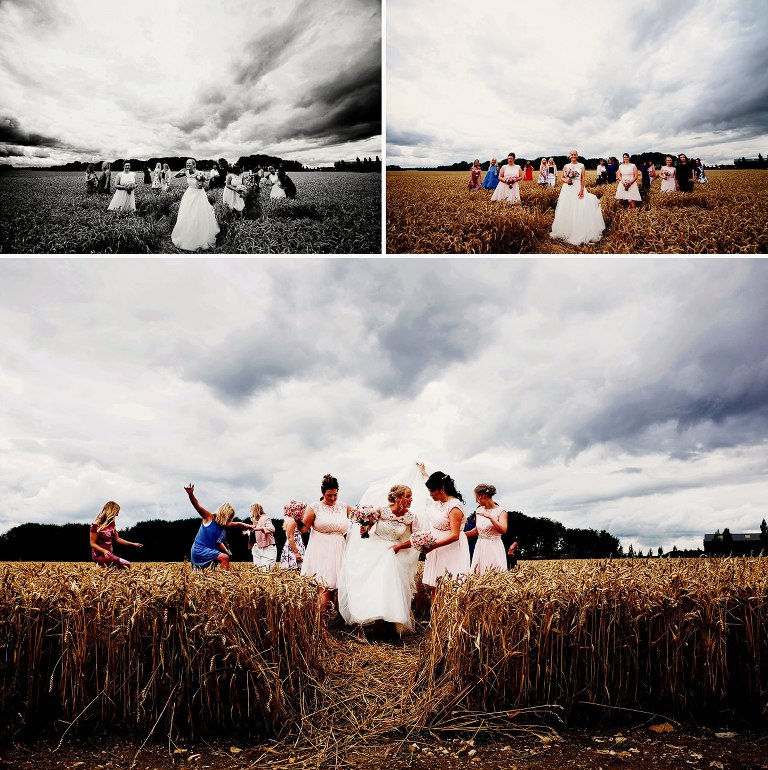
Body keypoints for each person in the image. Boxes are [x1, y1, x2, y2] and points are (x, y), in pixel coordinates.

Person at [337, 484, 420, 634]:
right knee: (376, 584)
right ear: (397, 498)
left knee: (392, 583)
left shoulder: (410, 517)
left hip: (395, 550)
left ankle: (391, 623)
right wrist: (363, 525)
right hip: (375, 548)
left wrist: (399, 547)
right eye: (408, 496)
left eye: (411, 496)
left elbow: (415, 539)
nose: (411, 499)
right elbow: (364, 533)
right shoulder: (381, 510)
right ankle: (377, 623)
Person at [300, 474, 352, 615]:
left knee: (339, 588)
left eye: (335, 495)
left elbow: (359, 519)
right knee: (325, 589)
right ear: (323, 493)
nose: (333, 498)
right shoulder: (314, 507)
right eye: (329, 495)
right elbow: (304, 529)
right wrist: (298, 519)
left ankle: (333, 621)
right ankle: (321, 627)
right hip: (321, 550)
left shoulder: (344, 506)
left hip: (340, 549)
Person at [421, 471, 470, 598]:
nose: (430, 494)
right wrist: (423, 472)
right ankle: (435, 617)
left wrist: (433, 545)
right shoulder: (438, 501)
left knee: (448, 586)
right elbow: (429, 480)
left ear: (442, 489)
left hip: (451, 549)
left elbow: (455, 535)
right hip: (437, 547)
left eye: (432, 491)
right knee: (435, 586)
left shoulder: (454, 507)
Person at [183, 483, 252, 570]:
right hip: (200, 549)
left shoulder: (223, 524)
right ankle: (226, 581)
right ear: (224, 515)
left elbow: (238, 524)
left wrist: (251, 526)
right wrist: (191, 494)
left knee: (209, 571)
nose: (229, 521)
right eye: (228, 518)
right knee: (224, 558)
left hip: (209, 550)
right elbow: (197, 506)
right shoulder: (209, 517)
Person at [550, 149, 605, 245]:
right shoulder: (566, 166)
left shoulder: (581, 166)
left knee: (580, 207)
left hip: (578, 188)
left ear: (577, 156)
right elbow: (562, 177)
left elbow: (583, 178)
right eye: (572, 155)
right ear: (569, 156)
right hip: (568, 189)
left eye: (575, 155)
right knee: (567, 207)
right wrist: (567, 181)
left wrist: (582, 189)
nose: (573, 156)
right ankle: (566, 230)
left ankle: (580, 231)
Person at [171, 159, 219, 251]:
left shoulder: (199, 173)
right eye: (187, 163)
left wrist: (200, 179)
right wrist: (180, 171)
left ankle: (200, 236)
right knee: (187, 214)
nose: (188, 165)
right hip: (189, 194)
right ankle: (186, 235)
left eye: (189, 163)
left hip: (198, 195)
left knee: (198, 213)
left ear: (194, 165)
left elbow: (201, 186)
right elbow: (175, 176)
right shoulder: (187, 172)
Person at [465, 484, 507, 574]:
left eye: (477, 498)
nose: (476, 501)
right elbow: (478, 530)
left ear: (482, 496)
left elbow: (503, 530)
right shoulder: (479, 510)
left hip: (494, 547)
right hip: (480, 546)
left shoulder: (501, 511)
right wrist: (461, 534)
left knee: (494, 574)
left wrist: (491, 517)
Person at [90, 501, 143, 569]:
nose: (117, 514)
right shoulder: (95, 525)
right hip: (99, 555)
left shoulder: (112, 524)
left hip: (109, 555)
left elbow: (118, 539)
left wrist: (133, 544)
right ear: (112, 511)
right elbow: (92, 543)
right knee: (126, 564)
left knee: (113, 571)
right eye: (117, 511)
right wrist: (104, 551)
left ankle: (101, 571)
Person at [246, 503, 276, 568]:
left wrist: (261, 528)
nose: (250, 513)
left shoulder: (265, 518)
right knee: (258, 571)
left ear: (255, 510)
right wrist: (248, 532)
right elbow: (256, 534)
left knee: (266, 571)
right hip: (256, 548)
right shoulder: (255, 521)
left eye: (251, 510)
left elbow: (272, 529)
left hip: (267, 548)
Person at [280, 501, 307, 570]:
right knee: (294, 568)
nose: (304, 513)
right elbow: (290, 537)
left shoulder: (295, 521)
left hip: (296, 545)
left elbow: (304, 530)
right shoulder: (292, 521)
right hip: (294, 546)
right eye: (303, 511)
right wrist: (296, 553)